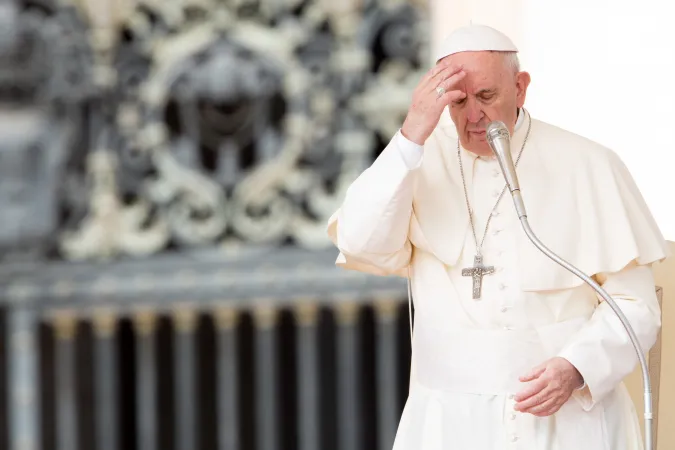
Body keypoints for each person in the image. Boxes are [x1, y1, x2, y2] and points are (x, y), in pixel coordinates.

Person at [326, 24, 671, 450]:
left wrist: (577, 366)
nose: (473, 116)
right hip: (448, 424)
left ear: (520, 87)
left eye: (487, 96)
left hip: (568, 421)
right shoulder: (414, 164)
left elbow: (637, 307)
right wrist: (411, 133)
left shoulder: (588, 163)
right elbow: (359, 244)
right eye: (458, 100)